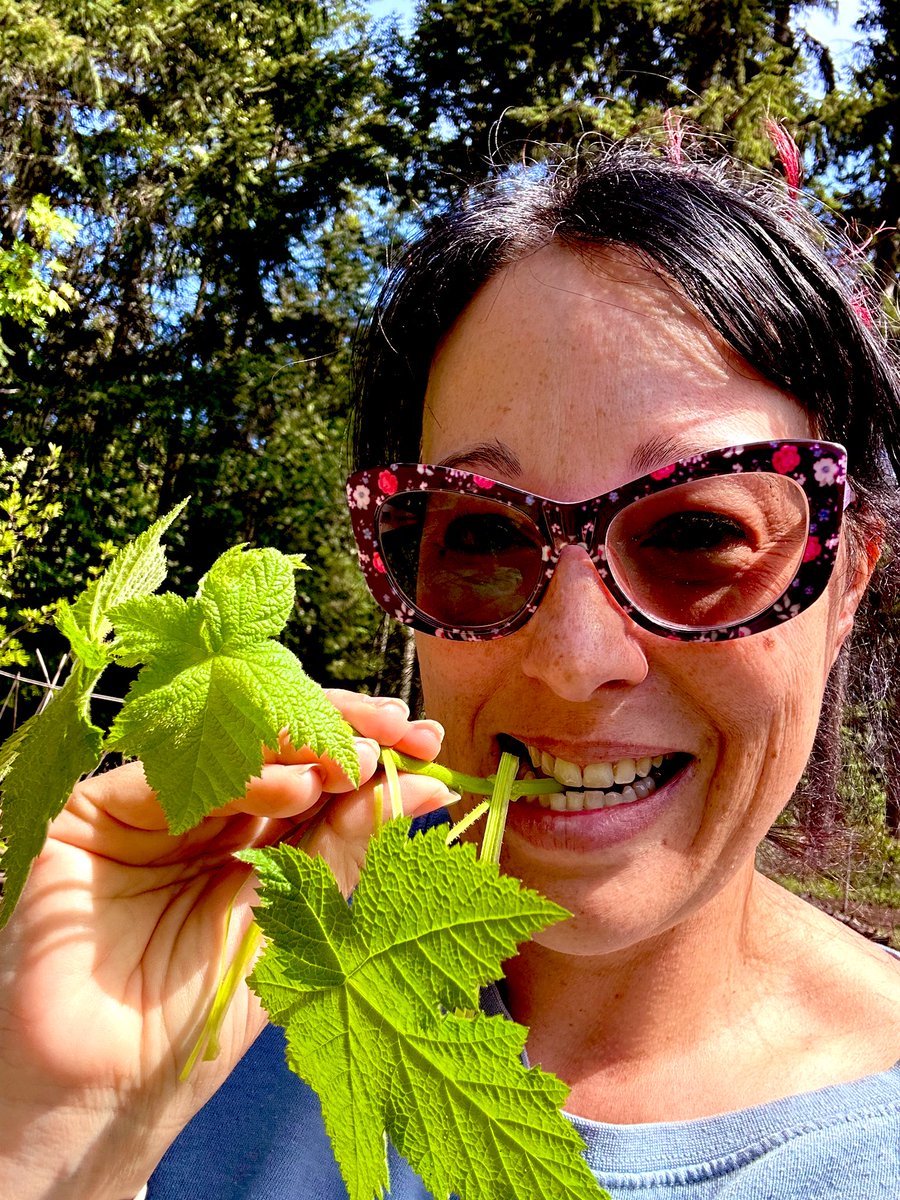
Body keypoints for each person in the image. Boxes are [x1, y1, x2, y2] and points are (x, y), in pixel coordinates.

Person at [2, 138, 900, 1200]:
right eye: (480, 536)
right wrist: (58, 1142)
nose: (574, 664)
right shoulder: (196, 969)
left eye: (698, 533)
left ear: (846, 581)